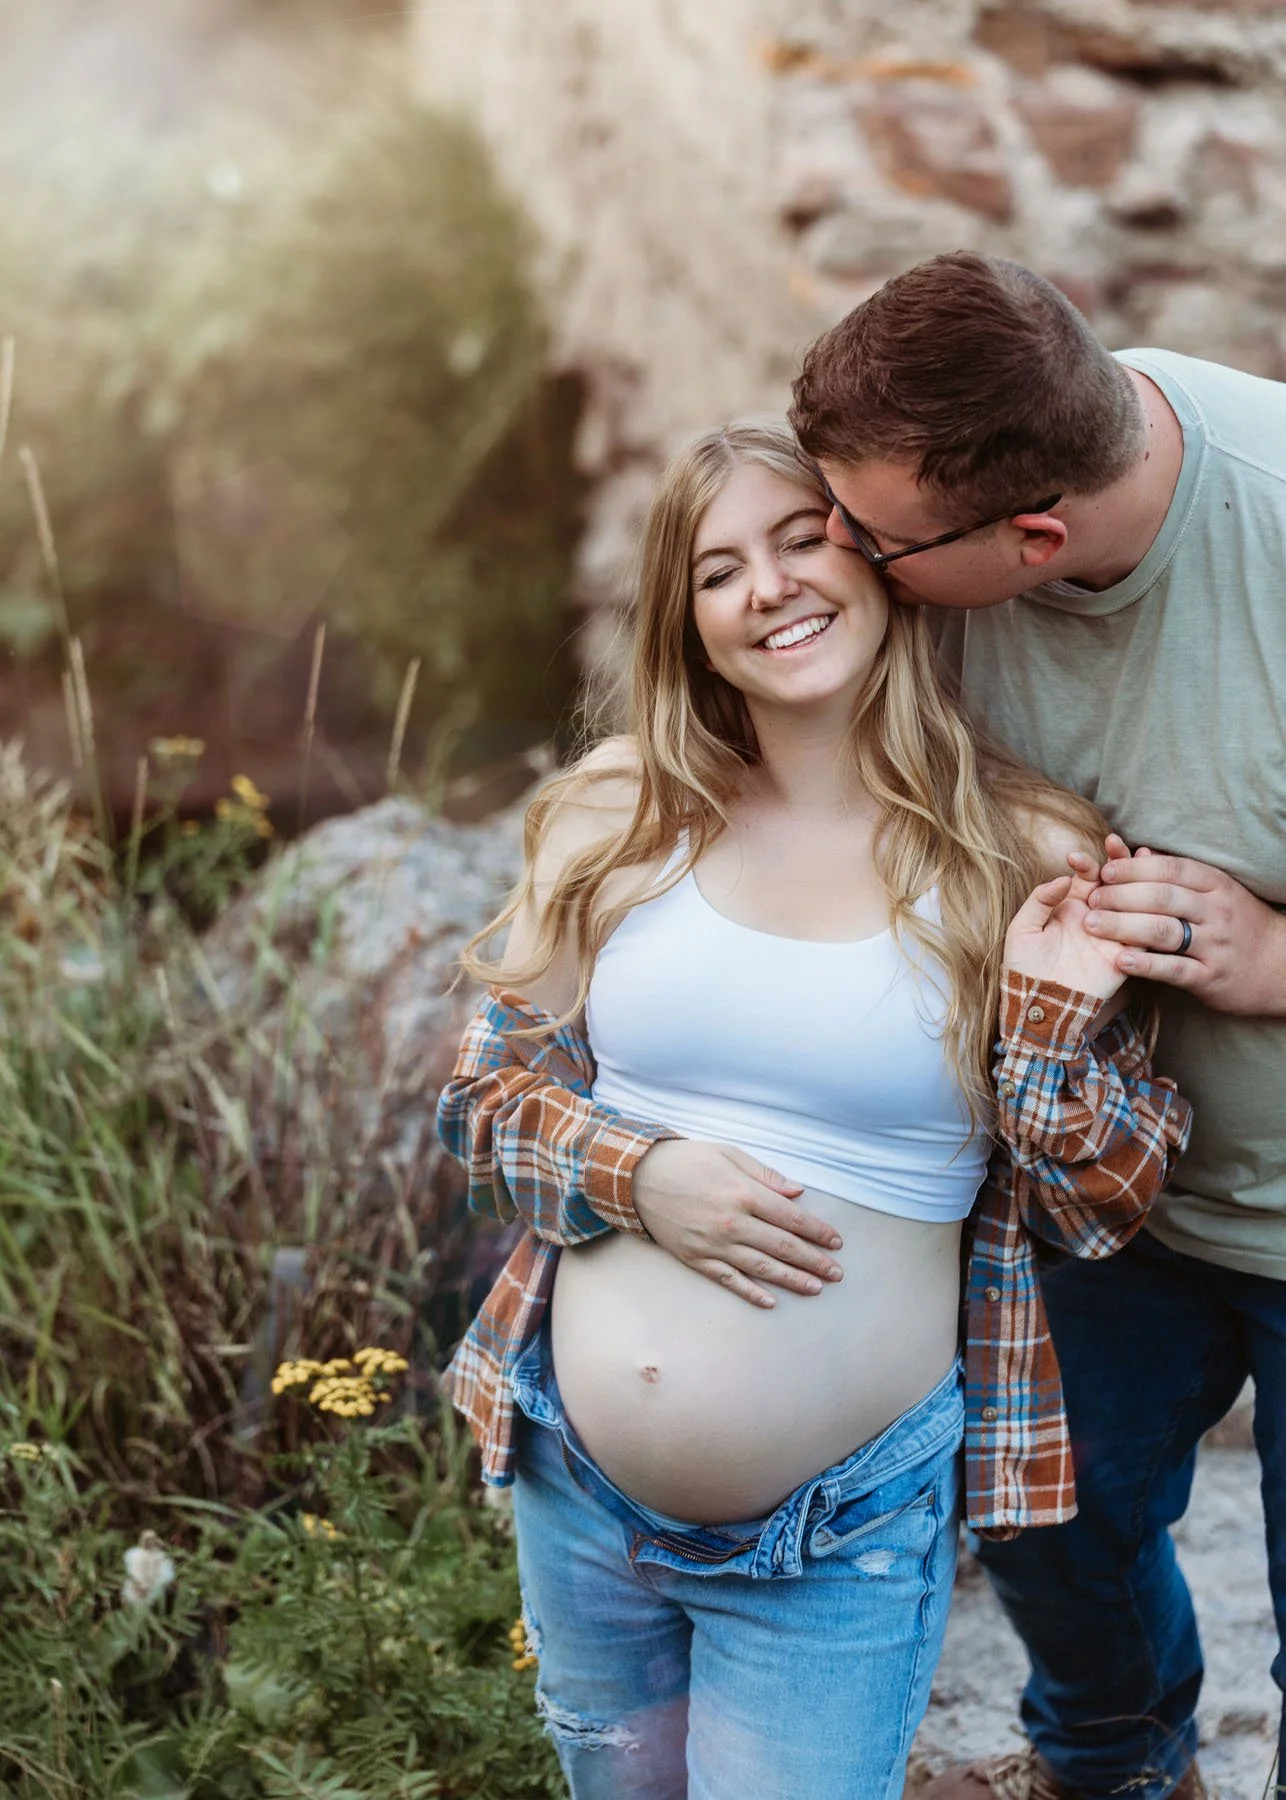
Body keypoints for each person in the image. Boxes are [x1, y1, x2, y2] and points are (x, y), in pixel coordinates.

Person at [436, 415, 1190, 1800]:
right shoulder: (616, 819)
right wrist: (639, 1170)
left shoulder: (1019, 846)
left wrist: (1037, 1032)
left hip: (834, 1534)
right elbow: (480, 1106)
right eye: (720, 569)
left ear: (882, 567)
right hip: (577, 1494)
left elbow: (1108, 1200)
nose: (769, 587)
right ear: (687, 619)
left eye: (802, 539)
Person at [789, 249, 1286, 1800]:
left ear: (1035, 537)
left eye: (871, 538)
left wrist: (1271, 960)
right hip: (1098, 1194)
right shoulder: (974, 470)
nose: (837, 559)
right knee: (1040, 1516)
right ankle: (1121, 1764)